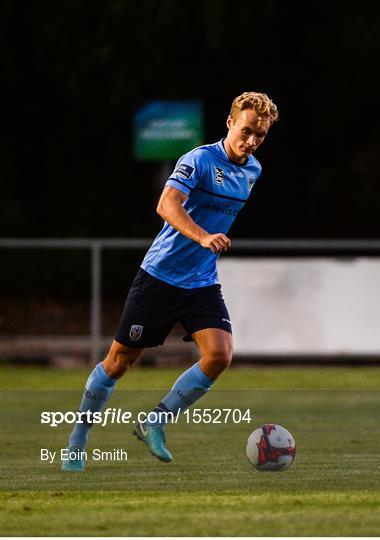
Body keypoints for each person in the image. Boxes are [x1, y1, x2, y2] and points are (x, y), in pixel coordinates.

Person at [62, 91, 278, 471]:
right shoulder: (198, 159)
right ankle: (77, 440)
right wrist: (202, 236)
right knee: (118, 363)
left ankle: (155, 422)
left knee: (220, 355)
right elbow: (166, 205)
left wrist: (206, 244)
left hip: (201, 281)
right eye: (246, 131)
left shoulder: (253, 170)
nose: (252, 140)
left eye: (260, 135)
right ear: (230, 123)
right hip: (159, 277)